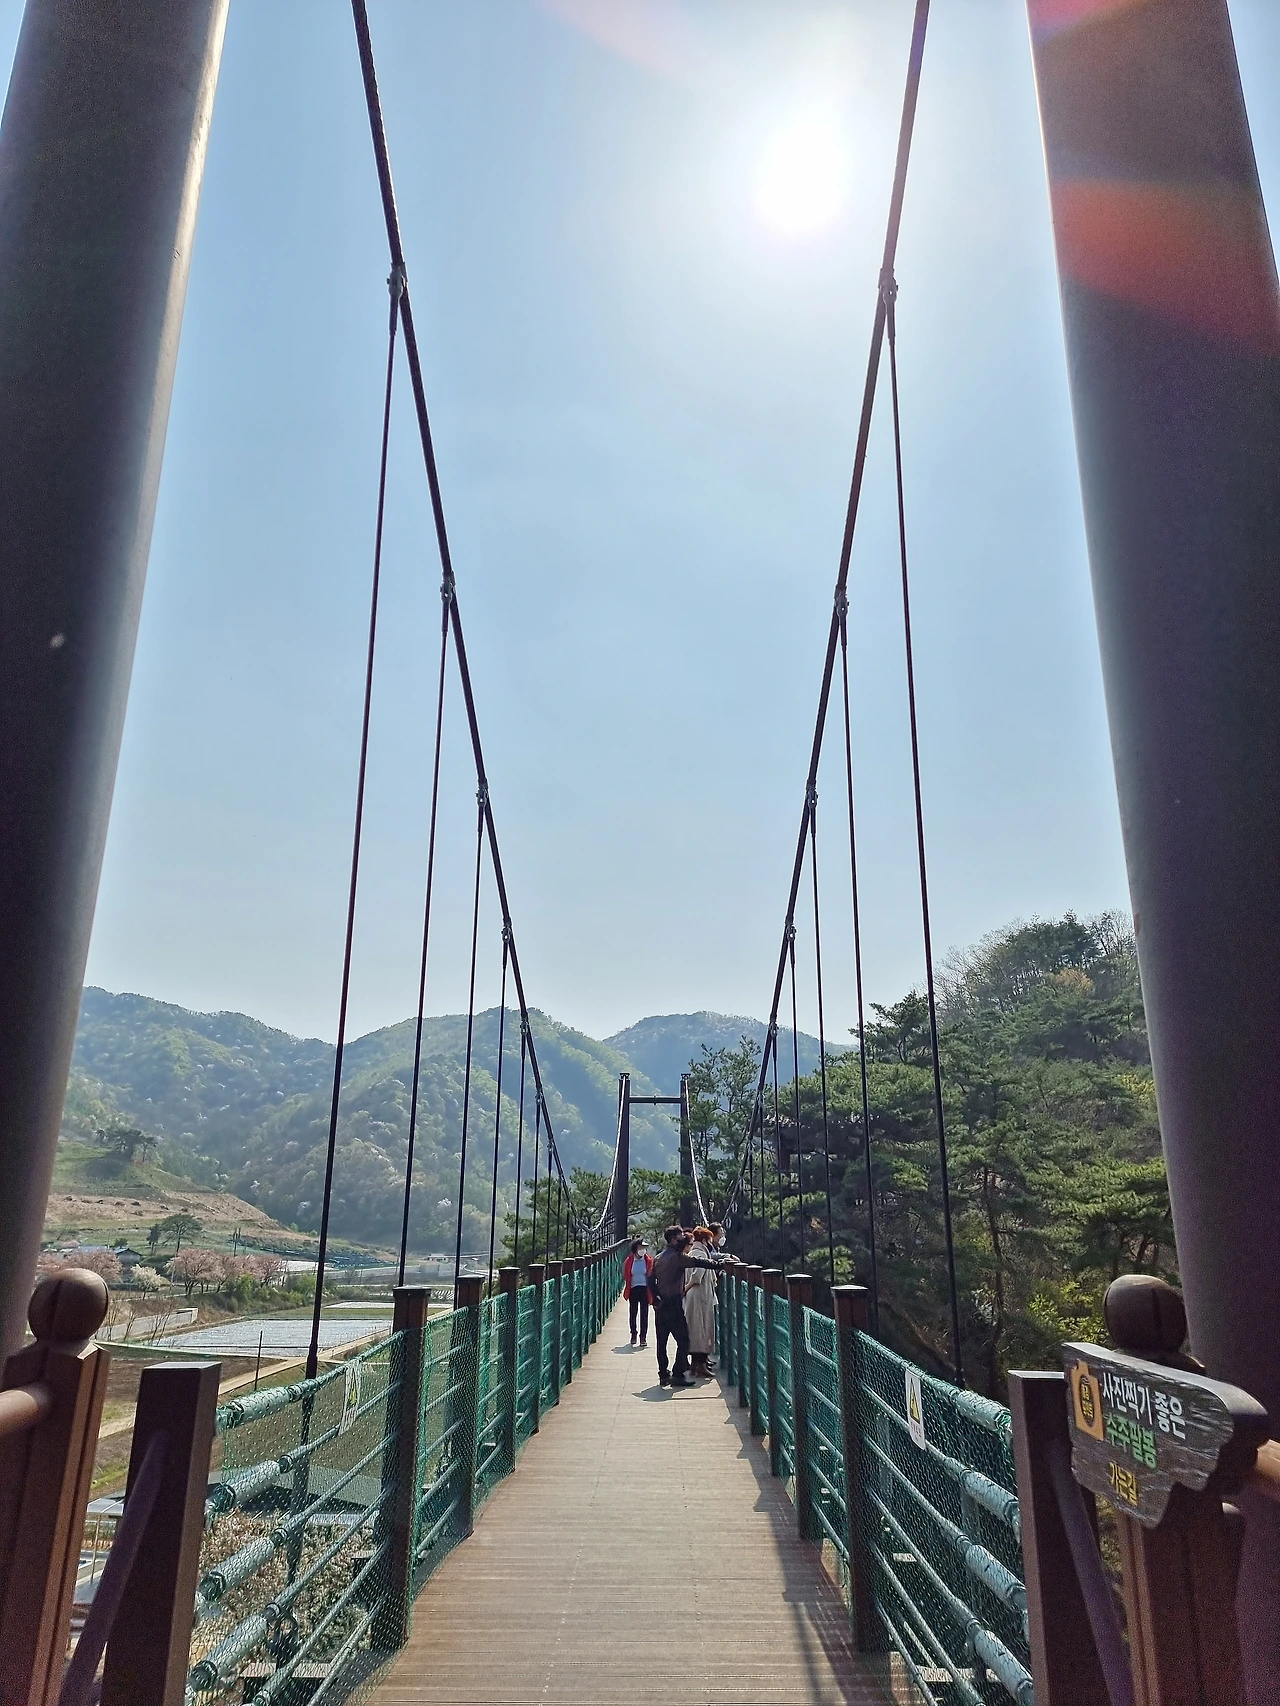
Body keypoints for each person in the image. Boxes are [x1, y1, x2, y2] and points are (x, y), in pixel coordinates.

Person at [649, 1224, 743, 1388]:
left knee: (661, 1341)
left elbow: (650, 1279)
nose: (684, 1237)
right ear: (673, 1240)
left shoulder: (658, 1257)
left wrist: (656, 1299)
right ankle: (678, 1375)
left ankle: (663, 1374)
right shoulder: (678, 1257)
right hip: (674, 1303)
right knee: (684, 1340)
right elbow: (700, 1262)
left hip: (661, 1305)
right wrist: (721, 1264)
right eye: (680, 1236)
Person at [684, 1226, 718, 1377]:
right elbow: (697, 1276)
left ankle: (694, 1365)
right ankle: (701, 1366)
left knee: (695, 1331)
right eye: (709, 1239)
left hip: (694, 1296)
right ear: (704, 1240)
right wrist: (686, 1288)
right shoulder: (700, 1254)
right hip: (700, 1296)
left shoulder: (692, 1252)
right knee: (702, 1331)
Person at [623, 1237, 652, 1346]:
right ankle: (633, 1334)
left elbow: (651, 1273)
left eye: (644, 1248)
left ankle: (643, 1337)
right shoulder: (630, 1261)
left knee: (644, 1314)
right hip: (633, 1289)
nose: (643, 1250)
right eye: (640, 1248)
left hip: (645, 1289)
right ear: (635, 1249)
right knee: (633, 1313)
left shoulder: (648, 1260)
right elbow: (625, 1273)